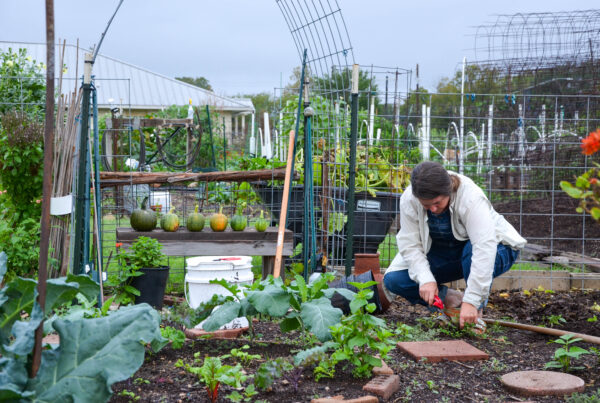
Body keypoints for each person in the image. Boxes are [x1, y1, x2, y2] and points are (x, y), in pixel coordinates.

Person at [383, 161, 526, 331]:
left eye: (437, 203)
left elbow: (483, 248)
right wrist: (426, 279)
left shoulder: (471, 197)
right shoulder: (409, 199)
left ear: (448, 191)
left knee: (472, 252)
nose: (433, 209)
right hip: (446, 252)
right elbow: (410, 244)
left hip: (497, 248)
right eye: (426, 205)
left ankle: (475, 314)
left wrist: (472, 301)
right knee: (394, 280)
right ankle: (451, 298)